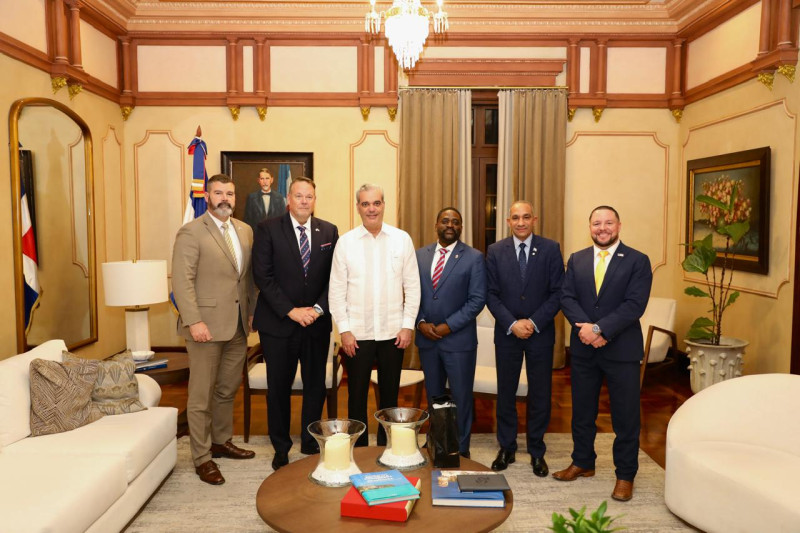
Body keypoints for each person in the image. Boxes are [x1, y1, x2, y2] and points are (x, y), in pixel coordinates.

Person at [554, 205, 652, 502]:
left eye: (608, 222)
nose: (602, 228)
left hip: (621, 350)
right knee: (582, 411)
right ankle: (582, 462)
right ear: (590, 227)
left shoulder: (637, 260)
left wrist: (599, 330)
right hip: (584, 350)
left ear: (619, 225)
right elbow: (566, 296)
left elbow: (634, 305)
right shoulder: (578, 259)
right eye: (597, 223)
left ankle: (625, 475)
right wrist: (586, 330)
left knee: (625, 416)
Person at [171, 173, 257, 485]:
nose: (225, 198)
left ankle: (221, 442)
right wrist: (194, 321)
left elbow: (246, 279)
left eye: (230, 193)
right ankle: (202, 457)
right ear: (207, 196)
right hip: (204, 327)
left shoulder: (245, 231)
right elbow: (182, 280)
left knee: (226, 389)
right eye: (218, 193)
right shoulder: (191, 232)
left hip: (237, 325)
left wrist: (251, 314)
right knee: (201, 395)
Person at [252, 177, 339, 471]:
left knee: (315, 384)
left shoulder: (328, 231)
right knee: (279, 386)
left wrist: (316, 309)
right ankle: (281, 446)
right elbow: (263, 277)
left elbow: (334, 278)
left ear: (315, 200)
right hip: (278, 324)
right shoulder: (267, 229)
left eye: (309, 196)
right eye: (299, 196)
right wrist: (291, 311)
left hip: (315, 323)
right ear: (289, 199)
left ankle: (310, 440)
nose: (304, 201)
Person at [329, 183, 421, 447]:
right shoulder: (345, 243)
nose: (371, 208)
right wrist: (344, 330)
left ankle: (387, 447)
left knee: (390, 396)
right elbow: (336, 291)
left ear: (383, 205)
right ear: (358, 207)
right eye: (366, 203)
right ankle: (358, 450)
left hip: (394, 332)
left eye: (376, 203)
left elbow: (412, 287)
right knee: (356, 395)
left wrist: (407, 326)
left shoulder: (402, 239)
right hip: (357, 334)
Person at [485, 201, 564, 477]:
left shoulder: (551, 249)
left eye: (526, 217)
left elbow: (558, 293)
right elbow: (490, 294)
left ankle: (537, 450)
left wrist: (531, 322)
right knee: (505, 392)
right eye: (516, 218)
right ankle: (506, 447)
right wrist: (512, 323)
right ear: (508, 221)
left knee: (540, 394)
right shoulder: (495, 251)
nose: (521, 222)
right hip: (507, 334)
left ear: (535, 219)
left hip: (539, 333)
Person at [415, 207, 486, 458]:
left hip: (458, 340)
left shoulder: (474, 257)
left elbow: (477, 300)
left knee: (461, 397)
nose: (450, 225)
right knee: (434, 395)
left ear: (461, 227)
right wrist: (421, 322)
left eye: (456, 222)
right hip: (427, 339)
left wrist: (449, 325)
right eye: (445, 220)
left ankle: (460, 449)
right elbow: (412, 294)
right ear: (436, 224)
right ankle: (436, 442)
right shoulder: (419, 255)